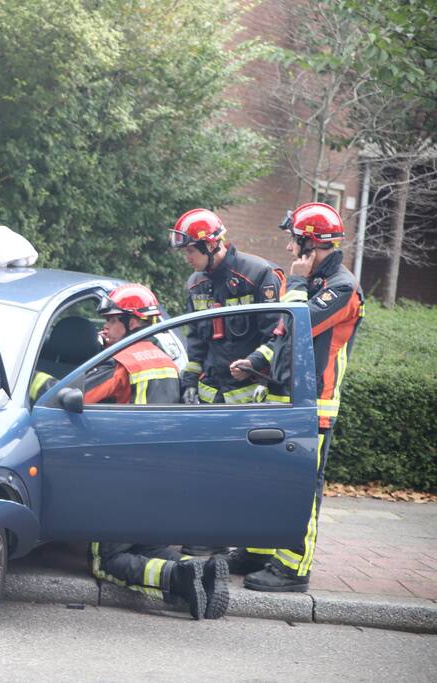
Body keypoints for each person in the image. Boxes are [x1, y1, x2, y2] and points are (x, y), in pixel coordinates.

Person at [229, 203, 364, 591]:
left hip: (311, 406)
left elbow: (297, 324)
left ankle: (293, 569)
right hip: (283, 399)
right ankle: (258, 550)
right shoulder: (312, 282)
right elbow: (280, 336)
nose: (289, 249)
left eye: (294, 241)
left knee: (300, 488)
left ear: (311, 244)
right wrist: (255, 361)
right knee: (266, 479)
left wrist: (298, 283)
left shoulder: (342, 287)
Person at [84, 284, 229, 620]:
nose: (106, 327)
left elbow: (76, 396)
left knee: (106, 561)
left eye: (112, 320)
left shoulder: (122, 362)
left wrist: (39, 383)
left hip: (124, 481)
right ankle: (200, 570)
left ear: (133, 323)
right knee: (147, 547)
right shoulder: (165, 360)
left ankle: (177, 579)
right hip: (162, 481)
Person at [169, 208, 285, 406]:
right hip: (210, 399)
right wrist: (190, 382)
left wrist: (254, 362)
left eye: (190, 251)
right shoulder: (196, 284)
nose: (187, 258)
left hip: (250, 400)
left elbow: (277, 335)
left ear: (210, 244)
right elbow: (196, 340)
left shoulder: (257, 274)